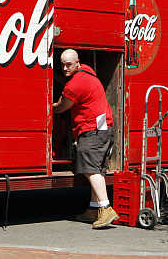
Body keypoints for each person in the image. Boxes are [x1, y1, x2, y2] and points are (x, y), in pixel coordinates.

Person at [52, 49, 119, 229]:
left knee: (90, 169)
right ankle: (93, 208)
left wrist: (49, 106)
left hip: (92, 130)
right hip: (103, 128)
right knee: (96, 169)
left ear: (77, 62)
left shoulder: (76, 84)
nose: (65, 68)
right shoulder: (88, 72)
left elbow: (61, 107)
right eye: (62, 65)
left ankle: (106, 208)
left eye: (69, 64)